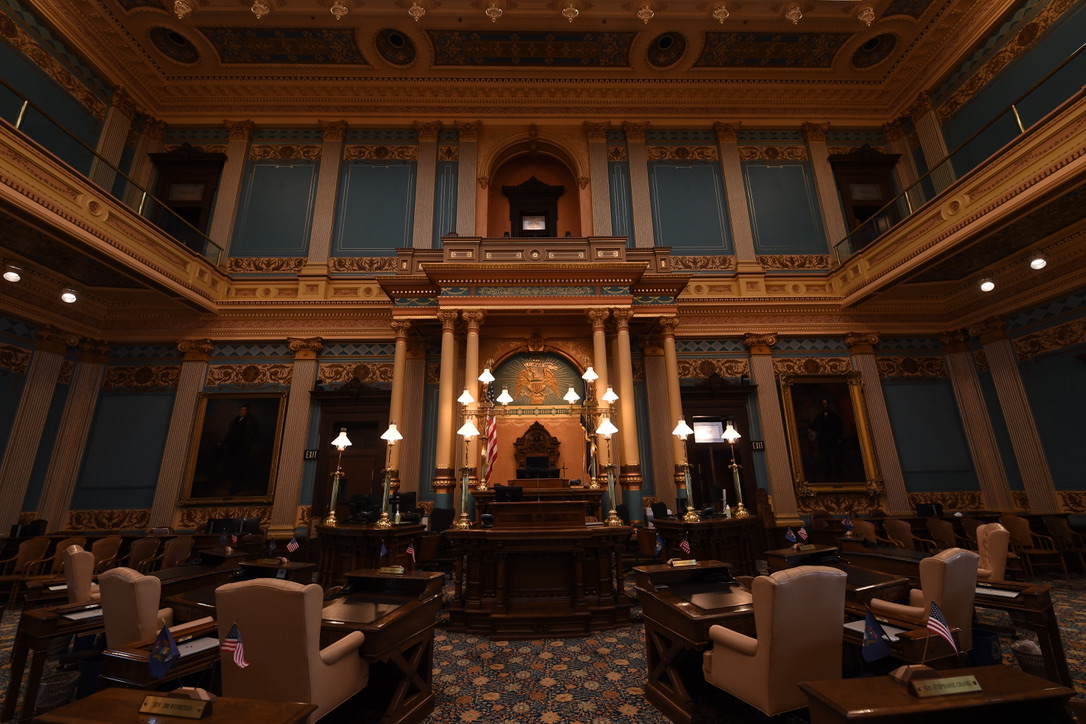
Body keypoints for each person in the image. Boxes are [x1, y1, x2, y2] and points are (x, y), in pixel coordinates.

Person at [220, 405, 260, 493]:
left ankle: (236, 487)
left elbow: (252, 435)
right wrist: (223, 442)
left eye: (244, 410)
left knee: (239, 467)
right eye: (241, 409)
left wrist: (247, 444)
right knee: (233, 466)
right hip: (233, 447)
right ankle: (233, 485)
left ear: (248, 411)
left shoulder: (251, 421)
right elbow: (230, 432)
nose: (241, 411)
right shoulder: (236, 419)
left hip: (242, 448)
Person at [807, 399, 844, 482]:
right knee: (827, 457)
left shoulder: (834, 415)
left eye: (826, 404)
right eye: (823, 404)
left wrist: (839, 438)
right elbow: (814, 422)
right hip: (824, 439)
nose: (824, 405)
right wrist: (810, 428)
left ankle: (839, 473)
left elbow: (840, 427)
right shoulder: (820, 415)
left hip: (834, 438)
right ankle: (829, 474)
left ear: (828, 404)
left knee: (837, 456)